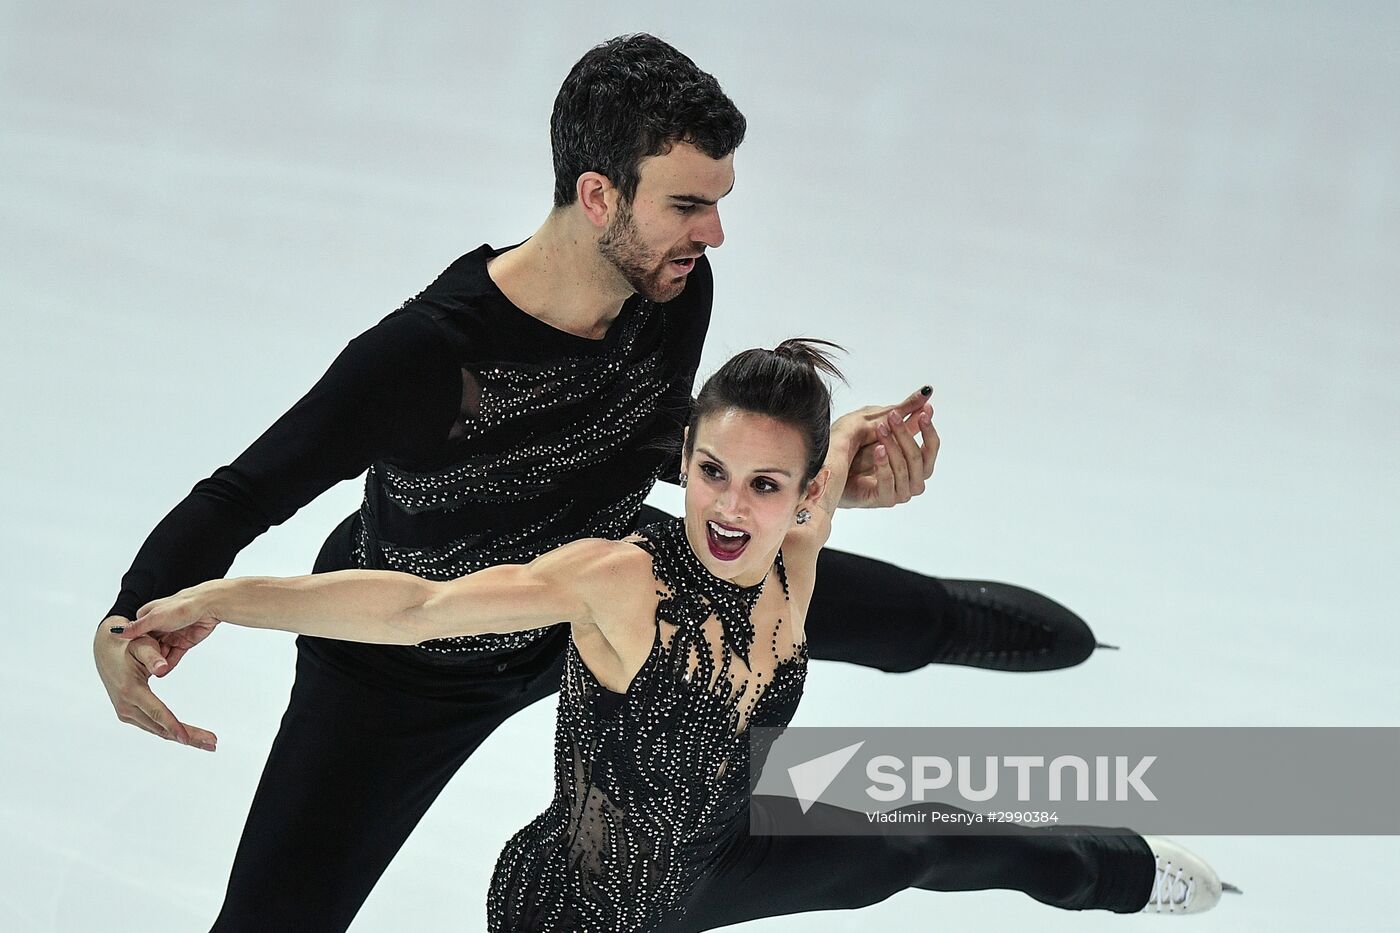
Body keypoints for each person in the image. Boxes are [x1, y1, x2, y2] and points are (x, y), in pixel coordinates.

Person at [94, 34, 1099, 931]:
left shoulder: (673, 291)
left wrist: (796, 486)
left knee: (901, 614)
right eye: (688, 205)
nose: (713, 234)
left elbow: (639, 438)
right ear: (597, 195)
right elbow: (243, 491)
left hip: (610, 598)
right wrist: (128, 619)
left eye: (718, 203)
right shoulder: (422, 356)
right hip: (404, 663)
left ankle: (1104, 823)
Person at [116, 340, 1230, 931]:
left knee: (921, 840)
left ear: (803, 496)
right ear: (684, 464)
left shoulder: (795, 552)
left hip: (721, 860)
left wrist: (861, 432)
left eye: (763, 484)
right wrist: (221, 595)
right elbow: (416, 607)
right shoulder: (619, 578)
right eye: (707, 472)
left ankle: (1127, 873)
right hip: (575, 910)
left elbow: (832, 459)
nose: (728, 508)